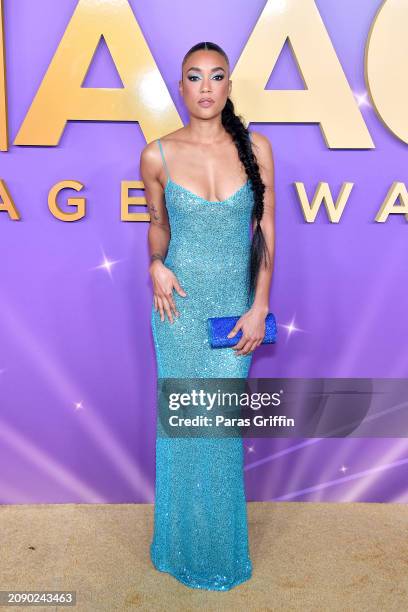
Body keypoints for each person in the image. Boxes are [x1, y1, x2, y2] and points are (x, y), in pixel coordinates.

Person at [140, 41, 275, 591]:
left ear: (227, 87)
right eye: (194, 77)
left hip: (233, 312)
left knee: (217, 432)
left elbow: (264, 232)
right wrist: (154, 263)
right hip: (178, 310)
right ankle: (176, 545)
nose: (205, 87)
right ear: (180, 87)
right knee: (183, 430)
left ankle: (218, 550)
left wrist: (260, 304)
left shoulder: (257, 148)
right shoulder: (157, 154)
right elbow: (158, 227)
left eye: (216, 77)